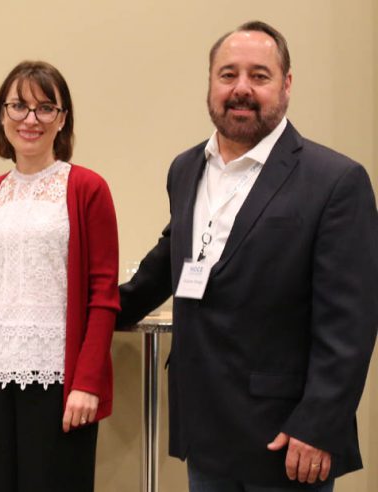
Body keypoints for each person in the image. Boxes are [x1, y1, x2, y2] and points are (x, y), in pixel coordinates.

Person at [118, 20, 378, 491]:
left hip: (286, 439)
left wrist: (317, 425)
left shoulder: (335, 181)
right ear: (210, 84)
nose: (241, 89)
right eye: (227, 74)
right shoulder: (186, 168)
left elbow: (350, 324)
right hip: (204, 427)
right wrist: (93, 312)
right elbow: (169, 261)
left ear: (287, 84)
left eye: (259, 76)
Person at [0, 60, 120, 491]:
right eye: (19, 107)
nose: (31, 119)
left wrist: (87, 382)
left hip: (58, 378)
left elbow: (103, 296)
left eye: (46, 108)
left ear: (62, 120)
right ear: (1, 116)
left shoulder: (86, 188)